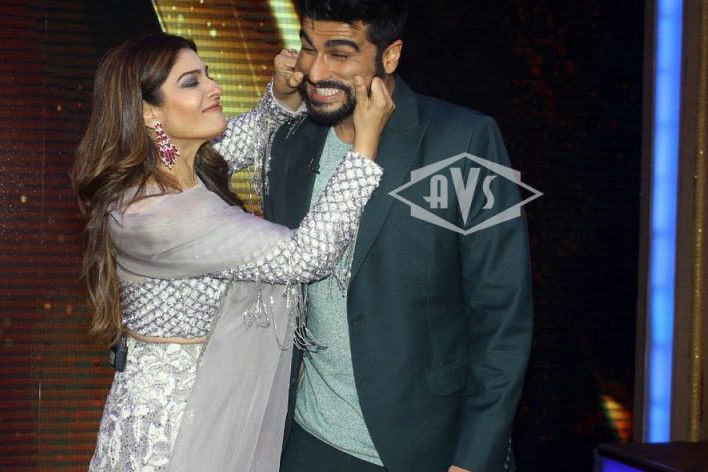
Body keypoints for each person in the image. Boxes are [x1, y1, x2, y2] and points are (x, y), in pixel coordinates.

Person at [71, 33, 394, 471]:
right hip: (179, 429)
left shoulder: (175, 171)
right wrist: (365, 147)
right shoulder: (159, 214)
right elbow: (306, 254)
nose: (214, 87)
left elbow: (245, 137)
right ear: (149, 111)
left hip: (209, 402)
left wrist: (282, 95)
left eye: (207, 74)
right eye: (191, 82)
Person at [263, 2, 534, 472]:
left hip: (426, 448)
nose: (316, 71)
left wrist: (473, 460)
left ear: (389, 56)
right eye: (309, 48)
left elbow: (503, 317)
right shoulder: (290, 141)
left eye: (340, 54)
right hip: (308, 438)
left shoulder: (464, 143)